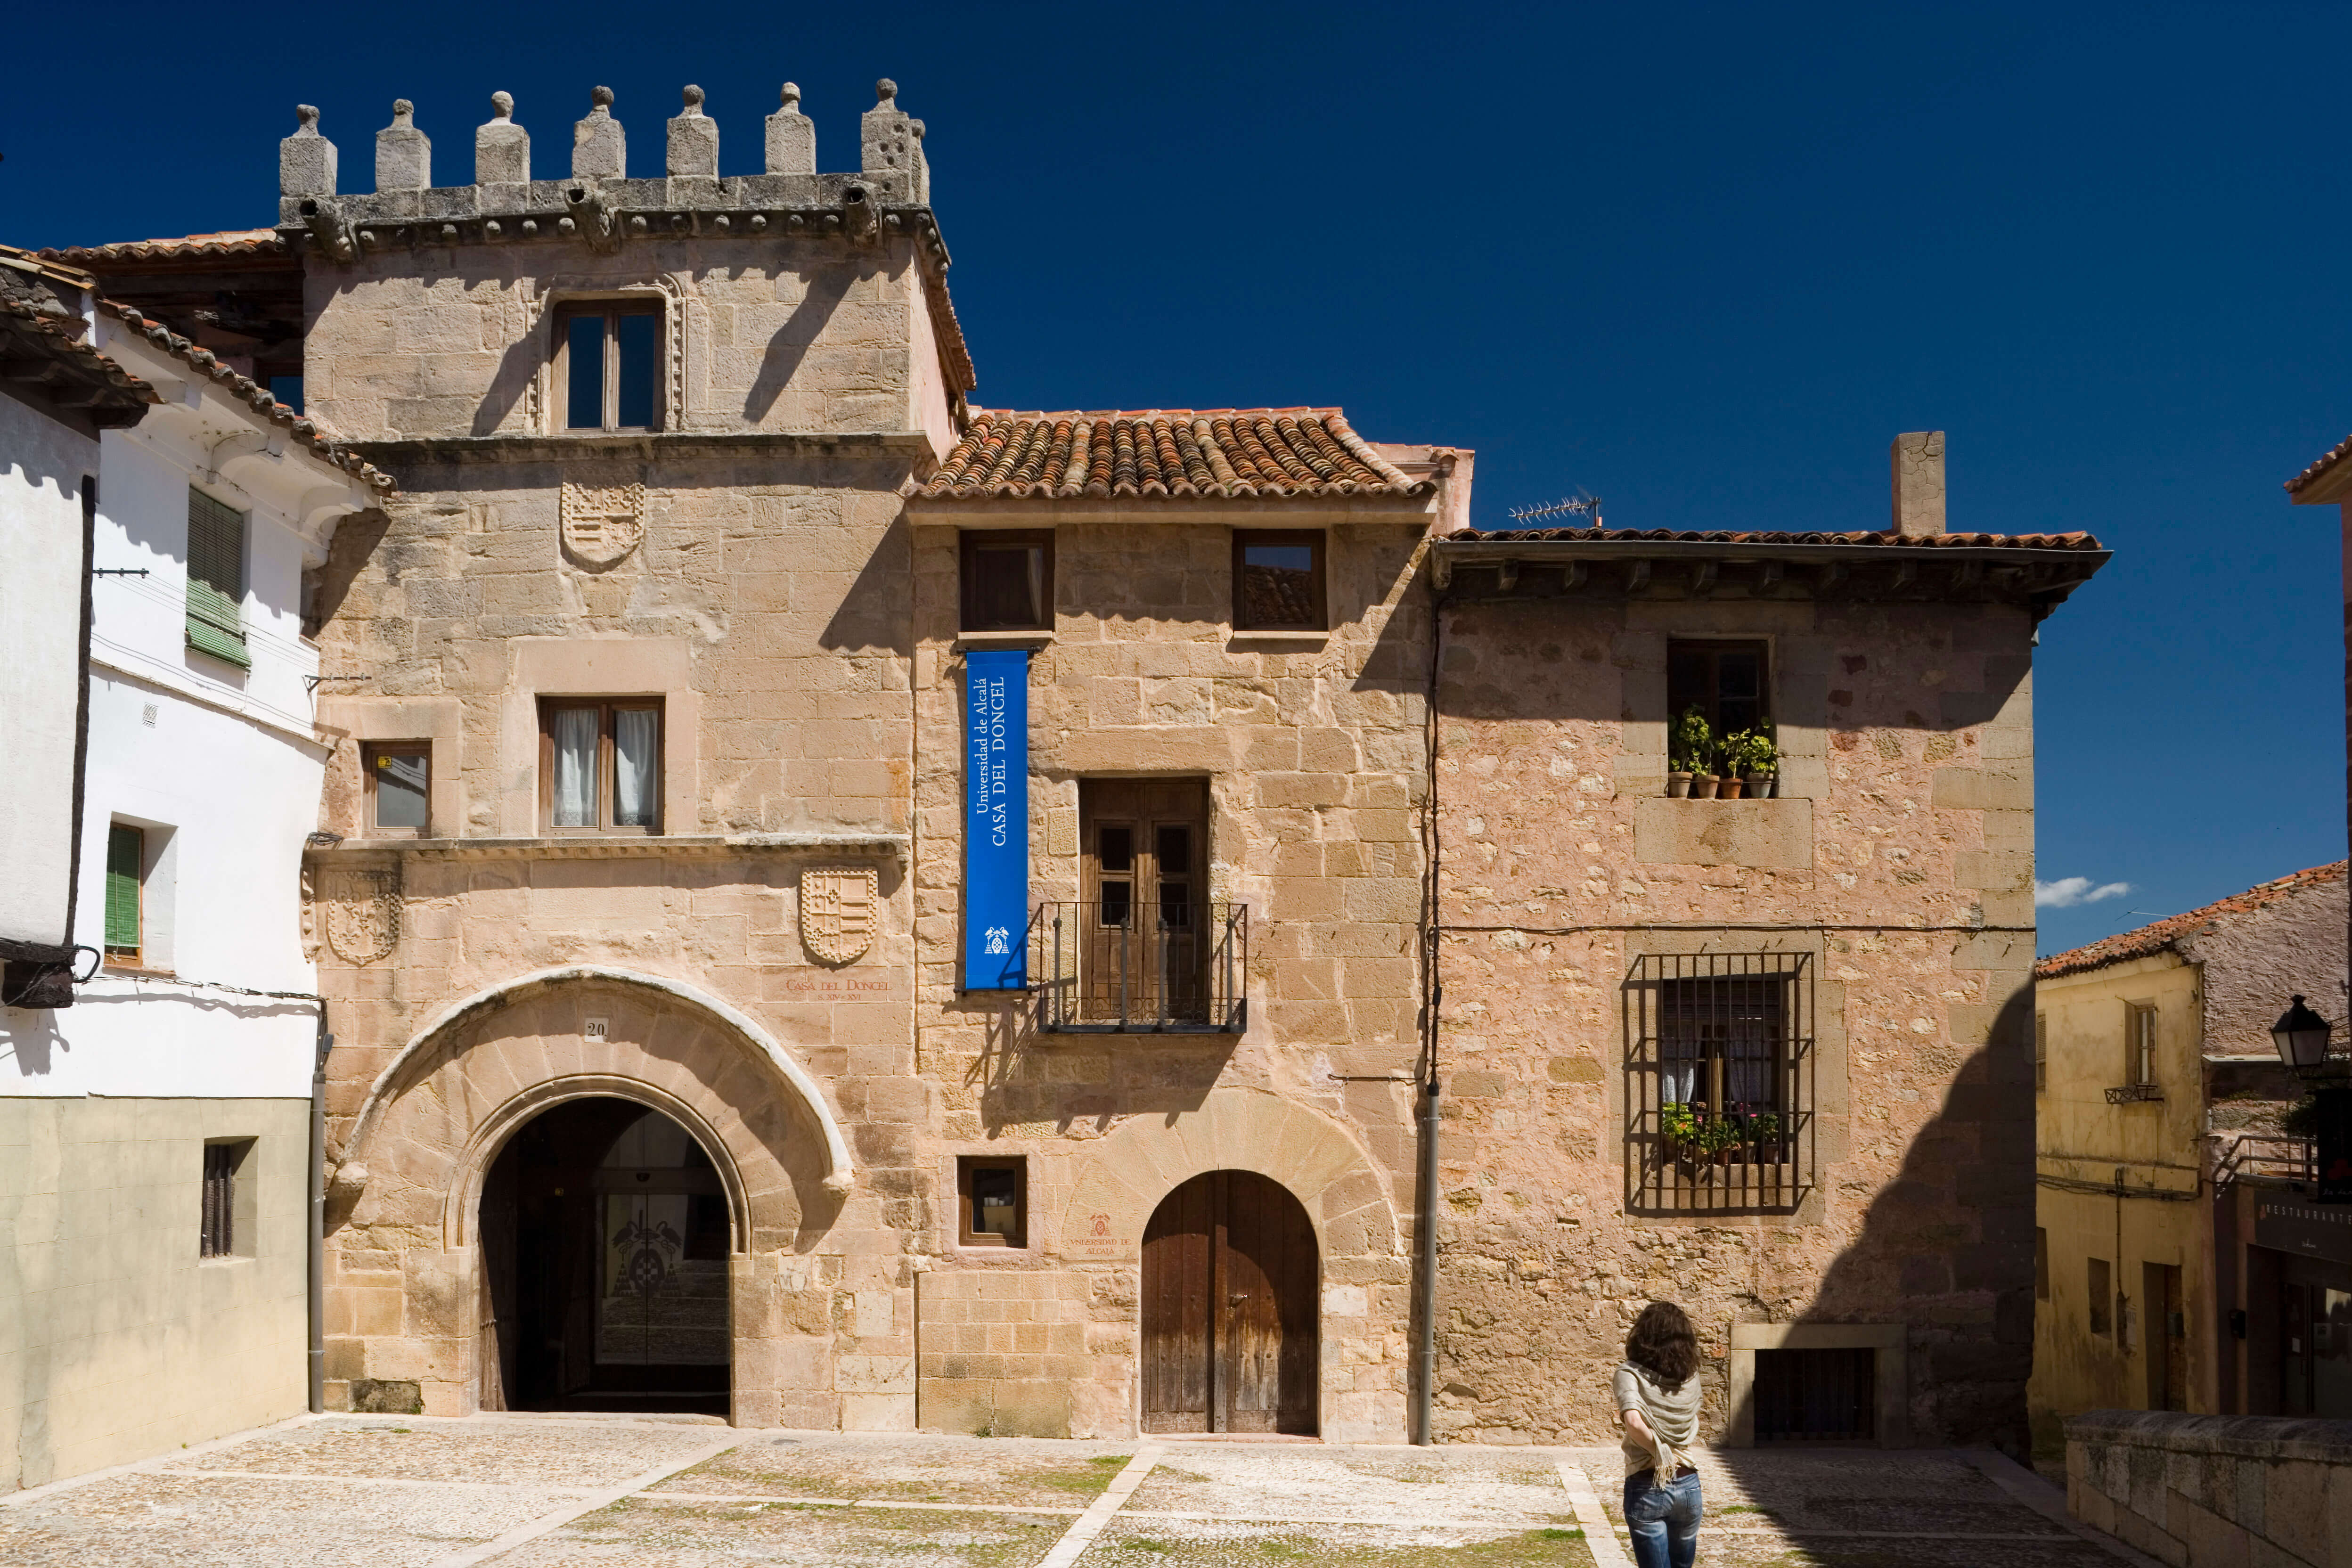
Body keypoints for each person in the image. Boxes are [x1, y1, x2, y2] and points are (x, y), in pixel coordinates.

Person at [1615, 1300, 1704, 1568]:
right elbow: (1693, 1417)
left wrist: (1660, 1452)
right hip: (1689, 1483)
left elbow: (1634, 1422)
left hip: (1647, 1483)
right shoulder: (1691, 1378)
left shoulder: (1628, 1374)